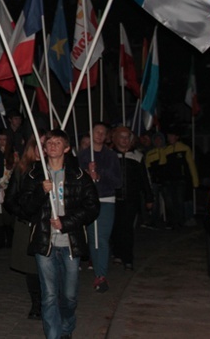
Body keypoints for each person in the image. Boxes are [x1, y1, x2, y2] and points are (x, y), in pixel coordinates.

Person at [19, 129, 100, 339]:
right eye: (49, 143)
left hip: (70, 243)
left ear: (66, 148)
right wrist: (40, 192)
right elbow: (25, 208)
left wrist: (66, 222)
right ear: (43, 149)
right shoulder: (34, 175)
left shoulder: (79, 176)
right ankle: (54, 336)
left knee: (70, 296)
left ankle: (66, 327)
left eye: (58, 142)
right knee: (49, 295)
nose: (53, 145)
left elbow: (92, 207)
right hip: (45, 243)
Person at [3, 137, 44, 320]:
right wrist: (25, 213)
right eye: (39, 145)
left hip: (47, 224)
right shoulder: (21, 170)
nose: (42, 148)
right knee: (31, 267)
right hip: (27, 223)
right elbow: (10, 200)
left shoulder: (55, 168)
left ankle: (49, 300)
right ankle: (36, 303)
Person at [78, 122, 121, 293]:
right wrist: (87, 174)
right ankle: (97, 269)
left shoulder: (111, 156)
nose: (100, 135)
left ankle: (101, 275)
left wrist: (100, 174)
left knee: (101, 238)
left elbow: (118, 182)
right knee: (92, 237)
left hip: (106, 199)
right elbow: (76, 178)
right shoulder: (82, 155)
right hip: (88, 200)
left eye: (103, 132)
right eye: (97, 131)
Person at [111, 127, 153, 270]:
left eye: (127, 137)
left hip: (131, 199)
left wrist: (149, 197)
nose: (124, 140)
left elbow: (144, 179)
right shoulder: (110, 155)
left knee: (127, 228)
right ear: (116, 138)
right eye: (121, 137)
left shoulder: (137, 156)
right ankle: (117, 254)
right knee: (116, 227)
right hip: (113, 198)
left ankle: (127, 257)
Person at [162, 126, 199, 229]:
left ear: (177, 137)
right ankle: (173, 221)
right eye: (168, 136)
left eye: (171, 136)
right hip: (170, 180)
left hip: (181, 180)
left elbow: (191, 164)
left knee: (179, 201)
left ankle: (180, 222)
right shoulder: (166, 150)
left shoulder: (184, 148)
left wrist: (195, 181)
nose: (169, 138)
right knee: (171, 202)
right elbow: (163, 165)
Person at [145, 132, 167, 228]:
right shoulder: (150, 153)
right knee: (155, 202)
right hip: (154, 180)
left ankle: (171, 220)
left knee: (168, 201)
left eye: (160, 139)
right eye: (156, 139)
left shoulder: (167, 150)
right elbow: (147, 167)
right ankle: (154, 221)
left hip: (166, 180)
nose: (158, 141)